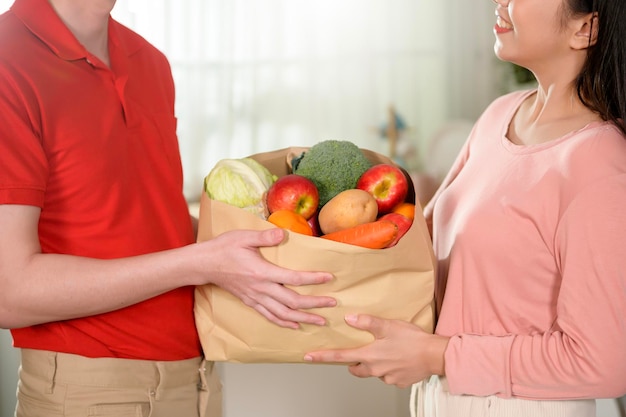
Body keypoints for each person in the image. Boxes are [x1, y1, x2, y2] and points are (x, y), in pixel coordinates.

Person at [0, 0, 336, 416]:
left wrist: (272, 246)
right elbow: (8, 291)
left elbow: (151, 220)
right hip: (89, 392)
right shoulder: (7, 59)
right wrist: (200, 263)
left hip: (196, 382)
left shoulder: (148, 62)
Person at [304, 0, 626, 415]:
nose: (501, 1)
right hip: (439, 397)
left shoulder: (599, 164)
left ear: (586, 29)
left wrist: (439, 357)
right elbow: (420, 244)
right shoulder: (499, 116)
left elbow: (603, 363)